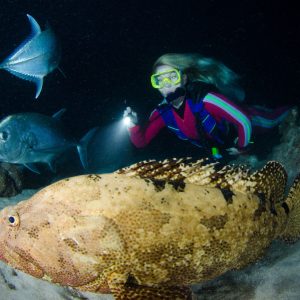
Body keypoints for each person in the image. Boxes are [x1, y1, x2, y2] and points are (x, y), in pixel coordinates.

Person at [124, 53, 291, 158]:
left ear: (184, 79)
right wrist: (133, 126)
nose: (166, 84)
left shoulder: (206, 99)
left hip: (252, 121)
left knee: (278, 117)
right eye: (159, 80)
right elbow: (141, 142)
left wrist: (242, 147)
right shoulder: (163, 113)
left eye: (172, 77)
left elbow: (244, 121)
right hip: (222, 144)